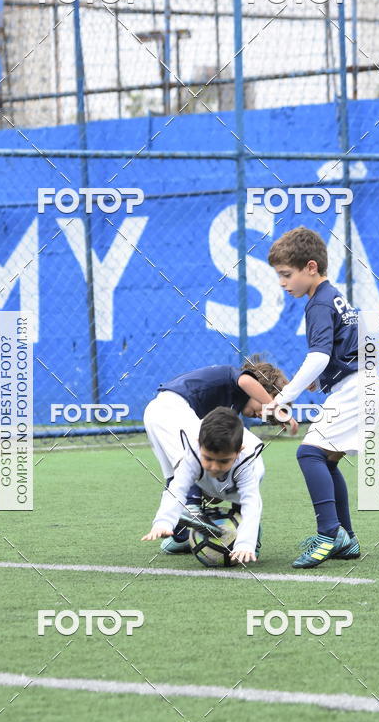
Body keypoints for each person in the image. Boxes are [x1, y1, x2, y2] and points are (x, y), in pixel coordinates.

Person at [265, 227, 360, 569]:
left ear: (310, 267)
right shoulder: (332, 294)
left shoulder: (317, 303)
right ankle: (345, 538)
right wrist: (319, 382)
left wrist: (283, 398)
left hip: (356, 389)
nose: (282, 283)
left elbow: (319, 356)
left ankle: (328, 533)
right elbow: (341, 349)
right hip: (361, 385)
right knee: (327, 458)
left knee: (308, 454)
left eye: (286, 275)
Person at [143, 357, 293, 554]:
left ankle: (179, 536)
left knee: (177, 475)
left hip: (155, 413)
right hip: (171, 409)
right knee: (190, 463)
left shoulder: (226, 406)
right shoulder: (237, 378)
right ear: (261, 387)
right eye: (268, 401)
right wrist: (278, 408)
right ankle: (193, 508)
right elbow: (247, 382)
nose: (263, 414)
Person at [141, 407, 264, 565]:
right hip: (202, 478)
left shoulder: (248, 464)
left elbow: (252, 503)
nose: (214, 467)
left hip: (236, 483)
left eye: (223, 461)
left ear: (239, 451)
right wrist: (163, 522)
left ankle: (250, 542)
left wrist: (245, 543)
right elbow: (177, 489)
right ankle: (192, 509)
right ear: (199, 445)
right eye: (208, 458)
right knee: (185, 476)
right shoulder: (192, 453)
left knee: (242, 505)